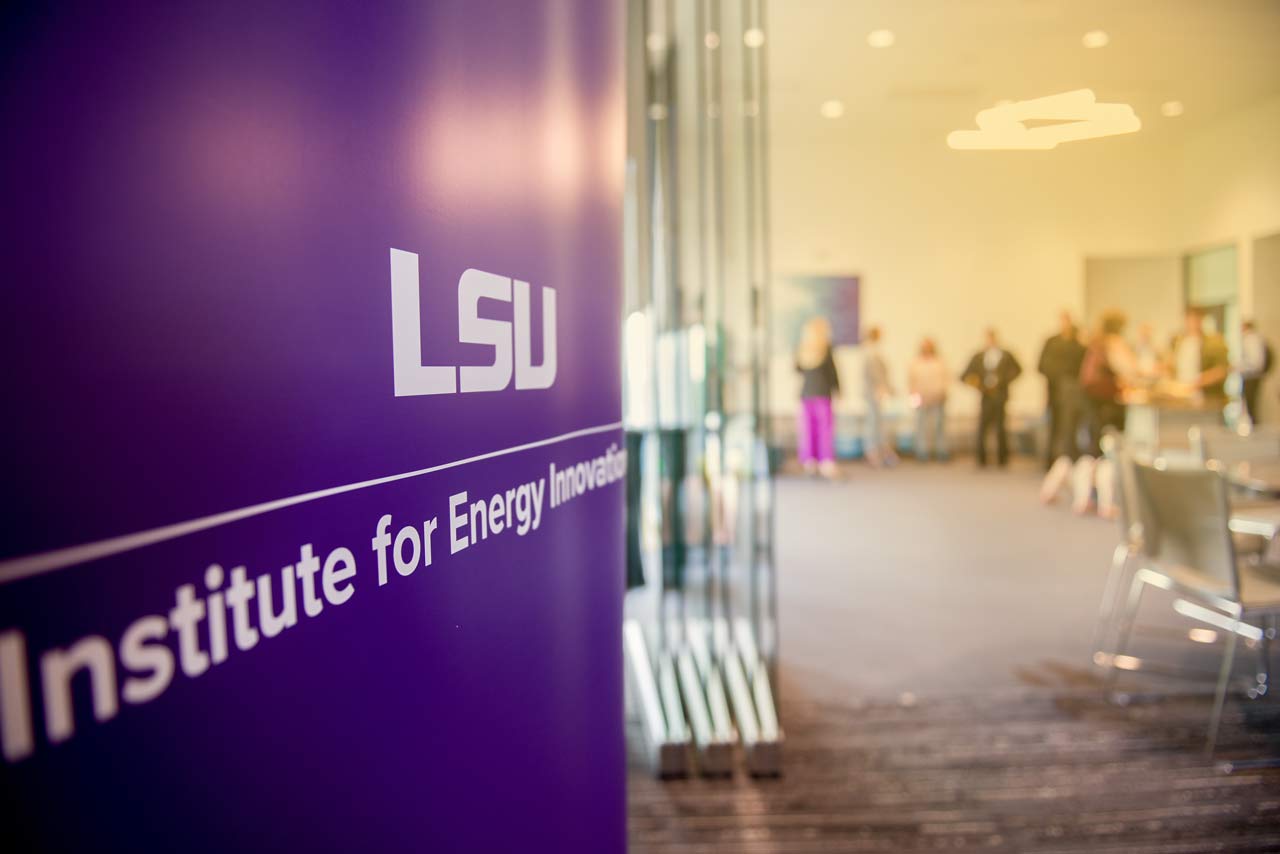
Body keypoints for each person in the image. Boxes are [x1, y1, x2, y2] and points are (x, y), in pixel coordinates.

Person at [962, 328, 1022, 468]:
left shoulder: (1006, 355)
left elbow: (1018, 370)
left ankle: (1002, 458)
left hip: (1000, 395)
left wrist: (1003, 381)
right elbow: (965, 375)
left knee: (1001, 427)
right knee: (983, 428)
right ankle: (981, 459)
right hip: (985, 396)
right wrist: (978, 385)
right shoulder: (978, 356)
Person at [1037, 311, 1086, 468]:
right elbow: (1042, 366)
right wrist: (1058, 379)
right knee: (1054, 426)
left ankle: (1068, 460)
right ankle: (1051, 460)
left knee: (1070, 427)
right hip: (1055, 390)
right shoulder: (1051, 342)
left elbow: (1083, 366)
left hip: (1072, 392)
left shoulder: (1078, 344)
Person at [795, 316, 839, 478]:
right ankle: (826, 462)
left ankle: (809, 461)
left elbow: (797, 369)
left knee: (808, 429)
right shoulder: (825, 348)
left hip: (806, 394)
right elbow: (832, 372)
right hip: (822, 394)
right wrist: (838, 390)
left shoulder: (802, 348)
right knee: (824, 429)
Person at [1169, 308, 1229, 403]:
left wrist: (1198, 383)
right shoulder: (1180, 342)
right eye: (1189, 319)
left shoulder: (1214, 342)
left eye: (1195, 319)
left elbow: (1222, 370)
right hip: (1182, 395)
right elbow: (1175, 366)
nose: (1192, 323)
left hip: (1207, 397)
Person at [908, 338, 949, 461]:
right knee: (921, 426)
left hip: (937, 397)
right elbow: (911, 381)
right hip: (921, 398)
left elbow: (946, 379)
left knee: (939, 426)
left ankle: (941, 451)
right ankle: (922, 452)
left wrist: (943, 393)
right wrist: (913, 396)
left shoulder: (940, 361)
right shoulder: (915, 362)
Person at [862, 326, 897, 467]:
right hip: (874, 393)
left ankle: (881, 451)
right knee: (874, 423)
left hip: (877, 393)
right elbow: (875, 375)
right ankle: (873, 452)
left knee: (878, 423)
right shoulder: (870, 353)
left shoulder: (873, 352)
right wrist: (882, 388)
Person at [1238, 320, 1272, 425]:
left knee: (1251, 403)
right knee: (1250, 403)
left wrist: (1240, 367)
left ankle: (1253, 425)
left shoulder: (1251, 339)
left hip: (1251, 376)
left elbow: (1255, 362)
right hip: (1252, 375)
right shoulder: (1255, 338)